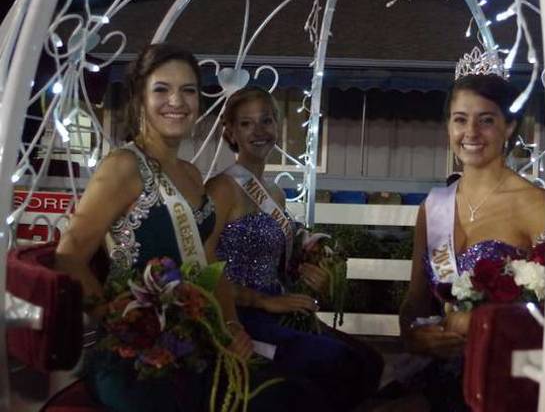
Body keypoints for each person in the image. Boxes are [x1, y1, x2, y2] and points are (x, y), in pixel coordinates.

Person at [54, 43, 297, 412]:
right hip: (135, 355)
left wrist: (231, 327)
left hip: (194, 339)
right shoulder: (122, 166)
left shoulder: (192, 174)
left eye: (188, 90)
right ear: (139, 99)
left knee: (284, 392)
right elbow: (69, 257)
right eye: (162, 89)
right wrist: (123, 323)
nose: (177, 101)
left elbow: (208, 261)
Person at [205, 86, 383, 411]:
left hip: (279, 309)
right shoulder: (221, 188)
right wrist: (260, 300)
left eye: (267, 120)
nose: (259, 131)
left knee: (369, 360)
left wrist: (309, 273)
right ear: (230, 132)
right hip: (238, 312)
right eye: (246, 124)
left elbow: (278, 265)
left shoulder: (276, 195)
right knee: (337, 362)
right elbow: (202, 267)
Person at [399, 66, 545, 410]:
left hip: (506, 372)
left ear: (509, 126)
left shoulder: (536, 206)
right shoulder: (434, 206)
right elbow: (416, 298)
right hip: (439, 367)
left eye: (486, 120)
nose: (471, 132)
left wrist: (482, 324)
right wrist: (412, 334)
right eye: (460, 119)